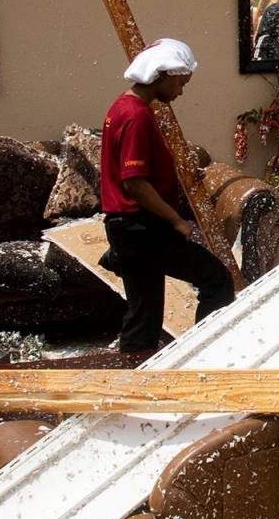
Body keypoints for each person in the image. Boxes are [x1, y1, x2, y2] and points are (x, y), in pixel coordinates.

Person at [99, 39, 235, 354]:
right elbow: (135, 183)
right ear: (162, 74)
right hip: (142, 229)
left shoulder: (121, 106)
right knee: (217, 282)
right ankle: (203, 356)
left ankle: (133, 382)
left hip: (128, 230)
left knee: (143, 318)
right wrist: (176, 221)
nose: (181, 91)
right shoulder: (137, 117)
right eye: (180, 82)